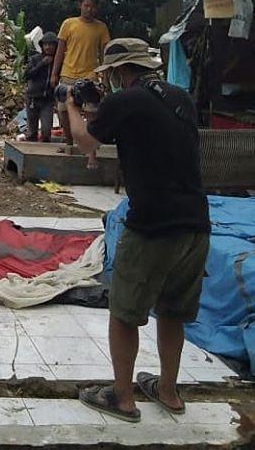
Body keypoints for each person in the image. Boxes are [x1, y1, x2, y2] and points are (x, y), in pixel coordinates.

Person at [67, 38, 210, 423]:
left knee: (125, 311)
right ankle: (168, 392)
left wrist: (70, 106)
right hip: (196, 222)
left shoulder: (125, 100)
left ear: (117, 72)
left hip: (152, 224)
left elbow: (84, 140)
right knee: (172, 311)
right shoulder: (181, 98)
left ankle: (122, 397)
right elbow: (150, 138)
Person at [50, 0, 110, 168]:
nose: (89, 9)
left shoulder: (101, 28)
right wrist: (54, 74)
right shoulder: (68, 24)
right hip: (68, 74)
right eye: (86, 5)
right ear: (80, 5)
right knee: (63, 112)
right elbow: (60, 51)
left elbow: (104, 54)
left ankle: (91, 155)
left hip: (90, 76)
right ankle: (69, 144)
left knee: (91, 114)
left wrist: (105, 78)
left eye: (92, 6)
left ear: (96, 8)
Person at [24, 32, 58, 142]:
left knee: (46, 130)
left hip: (47, 100)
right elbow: (27, 75)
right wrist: (42, 64)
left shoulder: (57, 62)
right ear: (42, 46)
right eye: (45, 44)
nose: (48, 47)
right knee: (32, 132)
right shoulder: (35, 59)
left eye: (51, 44)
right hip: (33, 98)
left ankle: (45, 154)